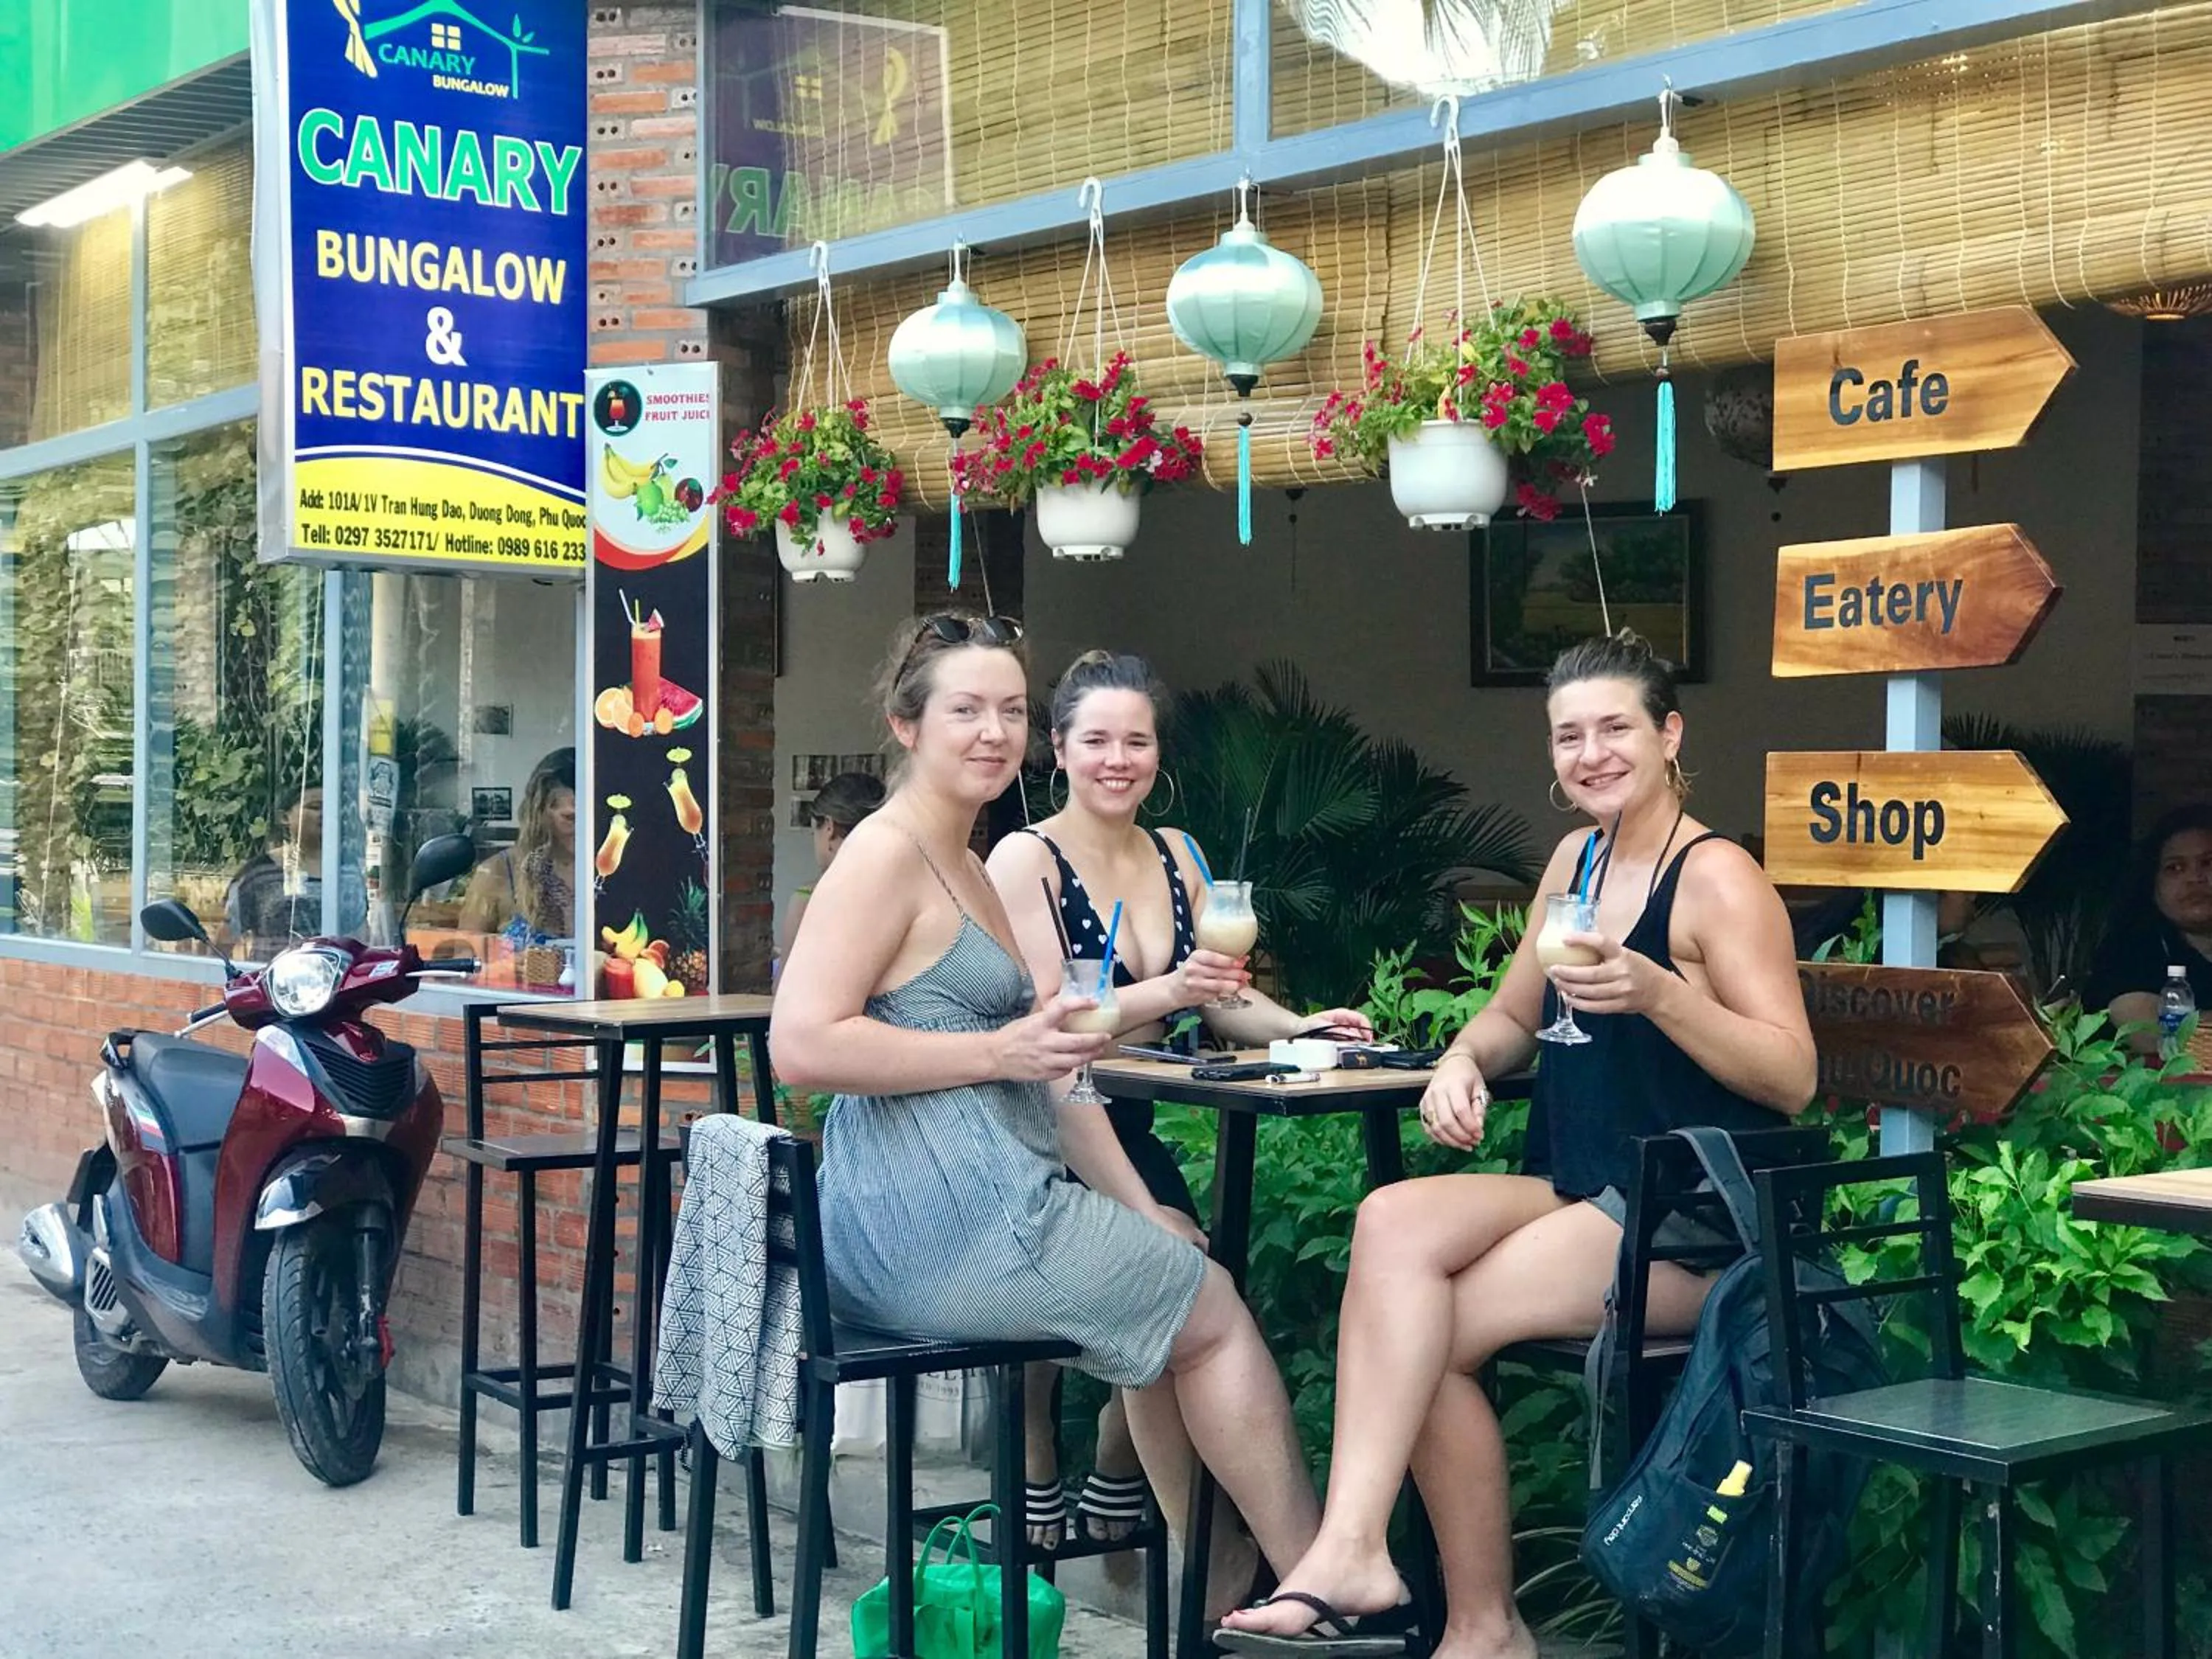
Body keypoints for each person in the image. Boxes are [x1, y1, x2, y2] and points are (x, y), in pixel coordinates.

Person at [1217, 631, 1815, 1659]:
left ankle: (1457, 1611)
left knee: (1433, 1334)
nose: (1591, 753)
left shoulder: (1718, 876)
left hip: (1700, 1220)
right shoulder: (1575, 860)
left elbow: (1792, 1073)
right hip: (1587, 1187)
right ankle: (1386, 1566)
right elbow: (1512, 1012)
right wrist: (1463, 1058)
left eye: (1615, 727)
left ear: (1670, 733)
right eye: (1568, 734)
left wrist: (1662, 992)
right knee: (1391, 1216)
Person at [772, 612, 1324, 1625]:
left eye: (1011, 711)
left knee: (1183, 1278)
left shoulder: (966, 858)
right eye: (966, 710)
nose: (993, 731)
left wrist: (1133, 1203)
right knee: (1211, 1316)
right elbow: (801, 1046)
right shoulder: (886, 853)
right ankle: (1311, 1589)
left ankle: (1236, 1578)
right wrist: (995, 1050)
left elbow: (1057, 1070)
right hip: (938, 1223)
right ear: (906, 724)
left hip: (973, 1201)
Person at [986, 650, 1373, 1579]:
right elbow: (1059, 1022)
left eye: (1137, 741)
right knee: (1180, 1302)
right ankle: (1212, 1553)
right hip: (1042, 1137)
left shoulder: (1179, 854)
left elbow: (1221, 1002)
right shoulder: (1023, 858)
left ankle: (1187, 1535)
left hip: (1131, 1130)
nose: (1118, 760)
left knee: (1182, 1302)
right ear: (1059, 750)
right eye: (1097, 741)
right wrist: (1172, 985)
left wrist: (1297, 1029)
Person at [2086, 803, 2212, 1054]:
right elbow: (2151, 1034)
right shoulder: (2129, 950)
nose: (2195, 878)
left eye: (2208, 863)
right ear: (2153, 886)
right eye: (2175, 868)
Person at [775, 769, 886, 977]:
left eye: (814, 830)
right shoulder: (905, 892)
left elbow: (784, 988)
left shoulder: (808, 900)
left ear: (829, 828)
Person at [459, 748, 577, 939]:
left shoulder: (609, 873)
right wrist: (506, 964)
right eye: (570, 817)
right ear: (539, 813)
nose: (585, 830)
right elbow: (465, 956)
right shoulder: (496, 873)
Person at [224, 778, 329, 959]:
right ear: (285, 817)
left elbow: (361, 935)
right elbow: (225, 939)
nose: (324, 814)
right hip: (274, 981)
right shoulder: (259, 873)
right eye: (315, 807)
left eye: (331, 808)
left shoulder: (347, 872)